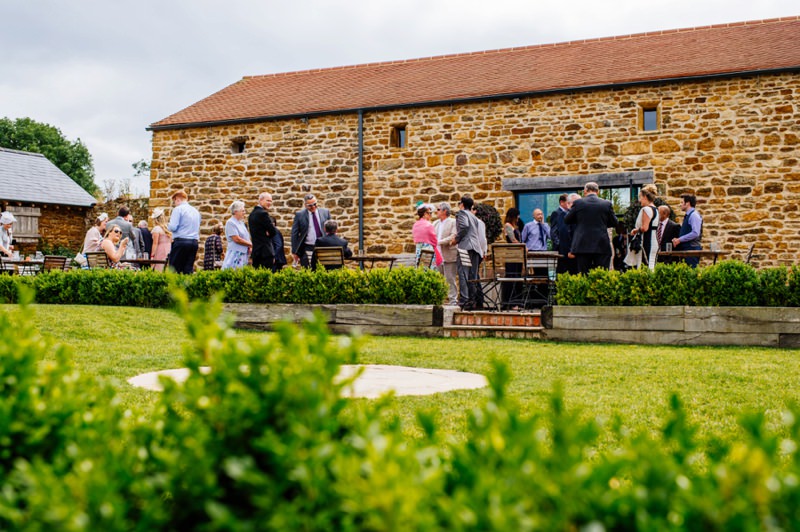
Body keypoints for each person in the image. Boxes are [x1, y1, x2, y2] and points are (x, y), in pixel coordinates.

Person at [564, 182, 618, 275]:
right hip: (601, 244)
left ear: (585, 191)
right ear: (598, 191)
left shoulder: (578, 203)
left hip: (582, 244)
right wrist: (603, 224)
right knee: (601, 275)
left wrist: (579, 221)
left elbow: (567, 220)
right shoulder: (606, 204)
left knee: (583, 274)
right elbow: (614, 222)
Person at [451, 195, 483, 310]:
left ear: (462, 204)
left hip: (466, 247)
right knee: (472, 275)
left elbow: (464, 226)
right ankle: (472, 300)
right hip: (476, 248)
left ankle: (464, 300)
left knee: (463, 273)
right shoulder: (473, 216)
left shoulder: (461, 213)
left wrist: (456, 239)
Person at [290, 193, 331, 267]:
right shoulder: (299, 215)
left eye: (315, 204)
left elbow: (330, 229)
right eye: (310, 205)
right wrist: (294, 251)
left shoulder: (325, 212)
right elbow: (294, 233)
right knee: (307, 270)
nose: (313, 207)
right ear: (305, 205)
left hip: (323, 246)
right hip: (307, 247)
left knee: (324, 269)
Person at [167, 190, 201, 274]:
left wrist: (167, 225)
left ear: (177, 199)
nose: (174, 204)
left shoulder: (178, 209)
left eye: (174, 201)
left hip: (181, 242)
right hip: (194, 243)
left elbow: (173, 227)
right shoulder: (196, 211)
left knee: (174, 270)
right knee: (188, 270)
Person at [433, 202, 458, 306]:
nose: (436, 211)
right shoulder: (435, 223)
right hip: (437, 255)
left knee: (450, 279)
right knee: (438, 279)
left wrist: (439, 242)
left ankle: (453, 301)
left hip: (449, 254)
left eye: (438, 209)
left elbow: (453, 236)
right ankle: (439, 300)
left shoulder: (453, 222)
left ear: (445, 211)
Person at [630, 184, 659, 271]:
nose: (640, 200)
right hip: (654, 239)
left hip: (647, 240)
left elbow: (645, 228)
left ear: (645, 197)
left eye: (640, 197)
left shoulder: (646, 209)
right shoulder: (656, 209)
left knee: (645, 264)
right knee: (651, 263)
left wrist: (636, 230)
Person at [672, 194, 703, 268]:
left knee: (692, 273)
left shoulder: (694, 215)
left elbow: (695, 233)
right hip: (688, 249)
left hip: (692, 248)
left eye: (682, 202)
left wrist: (680, 239)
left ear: (688, 203)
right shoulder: (689, 215)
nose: (680, 205)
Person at [248, 192, 277, 270]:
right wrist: (268, 233)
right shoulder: (263, 214)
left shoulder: (252, 214)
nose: (269, 203)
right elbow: (273, 231)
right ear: (260, 200)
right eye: (268, 201)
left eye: (271, 201)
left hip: (256, 252)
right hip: (265, 252)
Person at [549, 194, 577, 274]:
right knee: (562, 269)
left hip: (569, 247)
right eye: (567, 202)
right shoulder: (556, 213)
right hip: (561, 249)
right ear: (561, 202)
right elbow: (553, 232)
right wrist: (559, 244)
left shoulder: (570, 213)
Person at [501, 208, 523, 310]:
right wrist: (523, 246)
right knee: (511, 276)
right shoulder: (508, 226)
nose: (518, 217)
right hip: (512, 254)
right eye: (517, 215)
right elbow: (513, 240)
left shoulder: (516, 226)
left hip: (518, 255)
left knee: (518, 276)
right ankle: (510, 302)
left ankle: (518, 301)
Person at [221, 201, 252, 270]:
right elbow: (236, 239)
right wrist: (251, 244)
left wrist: (249, 246)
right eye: (242, 211)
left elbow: (246, 236)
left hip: (243, 253)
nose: (244, 213)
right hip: (235, 253)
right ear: (235, 212)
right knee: (233, 272)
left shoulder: (241, 223)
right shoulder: (230, 223)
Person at [412, 204, 442, 268]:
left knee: (420, 268)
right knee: (429, 269)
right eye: (430, 213)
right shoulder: (428, 225)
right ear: (425, 213)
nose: (431, 215)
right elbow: (434, 240)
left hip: (418, 249)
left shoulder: (415, 225)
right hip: (428, 250)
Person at [150, 208, 172, 272]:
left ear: (155, 219)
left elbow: (155, 243)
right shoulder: (168, 228)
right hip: (168, 248)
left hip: (160, 250)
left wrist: (152, 256)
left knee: (159, 267)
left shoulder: (157, 229)